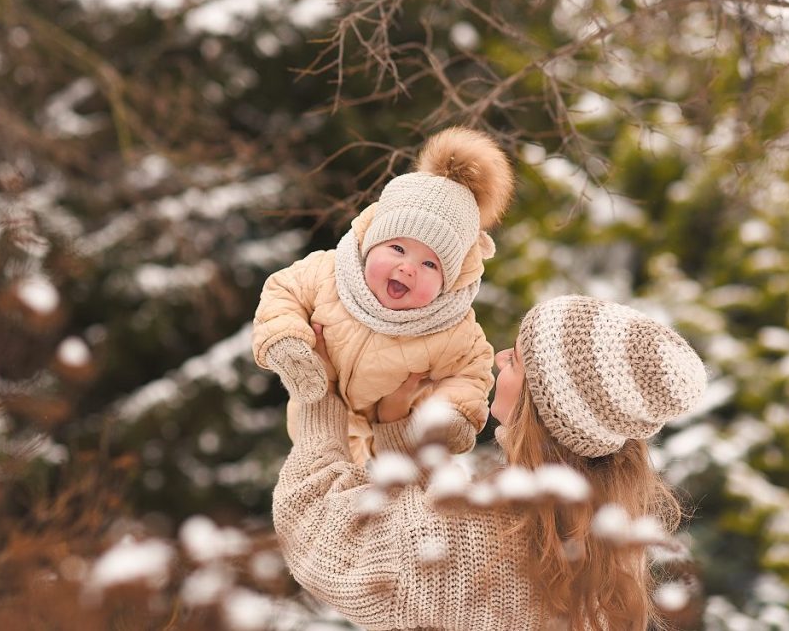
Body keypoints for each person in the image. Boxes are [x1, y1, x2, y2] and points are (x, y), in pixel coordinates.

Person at [272, 295, 706, 630]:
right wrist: (400, 428)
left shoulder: (479, 540)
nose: (500, 358)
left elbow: (309, 524)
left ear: (541, 407)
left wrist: (318, 392)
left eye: (515, 359)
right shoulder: (597, 549)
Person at [252, 127, 515, 464]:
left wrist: (449, 416)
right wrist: (288, 343)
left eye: (430, 264)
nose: (408, 268)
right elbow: (282, 291)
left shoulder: (451, 329)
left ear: (448, 283)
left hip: (394, 444)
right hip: (314, 421)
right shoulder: (328, 273)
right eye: (397, 248)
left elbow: (471, 373)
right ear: (371, 242)